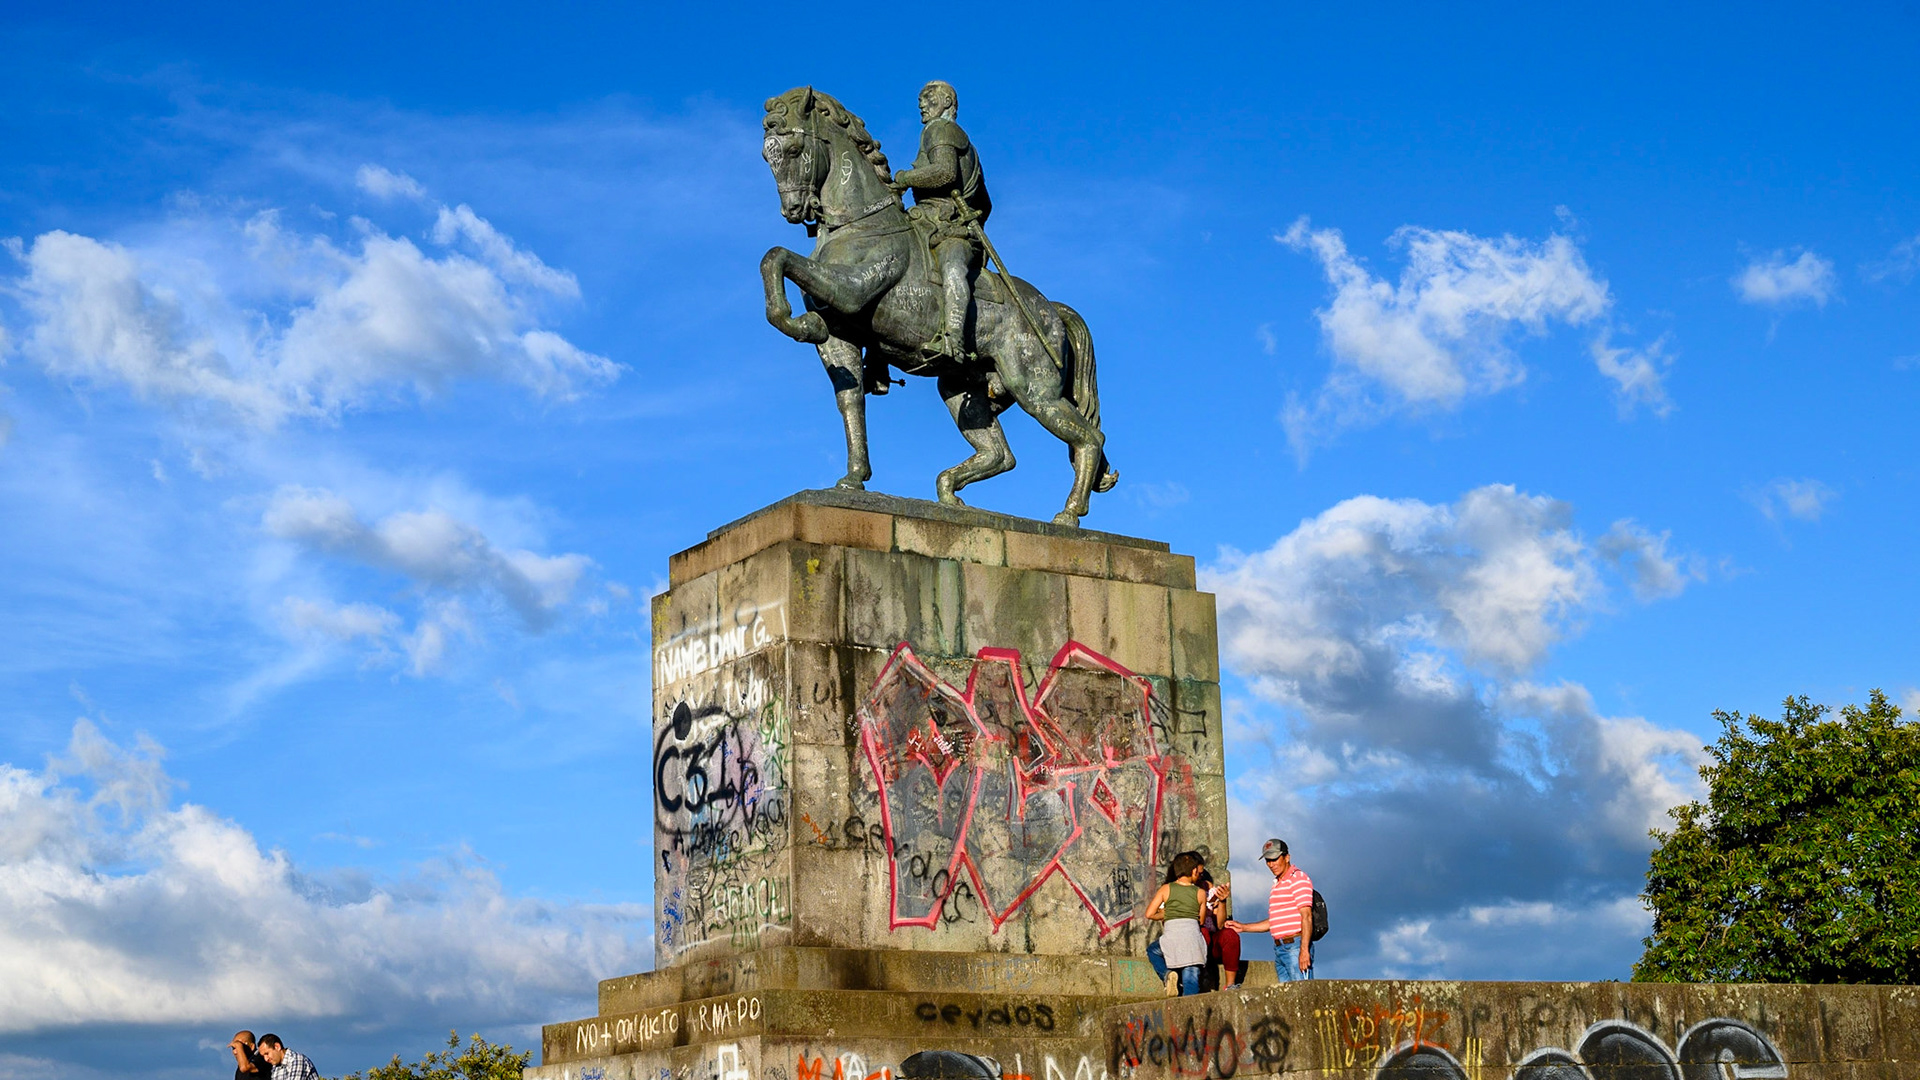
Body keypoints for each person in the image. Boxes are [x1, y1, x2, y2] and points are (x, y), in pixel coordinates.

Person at [891, 79, 993, 362]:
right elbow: (987, 204)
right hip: (928, 221)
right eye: (921, 101)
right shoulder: (957, 140)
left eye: (929, 99)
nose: (922, 106)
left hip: (949, 228)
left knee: (952, 268)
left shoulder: (941, 129)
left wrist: (906, 178)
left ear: (947, 102)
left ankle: (953, 340)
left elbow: (946, 172)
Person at [1226, 838, 1314, 980]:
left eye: (1274, 859)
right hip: (1280, 948)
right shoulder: (1277, 883)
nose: (1271, 864)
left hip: (1295, 946)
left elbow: (1307, 916)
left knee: (1301, 991)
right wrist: (1243, 927)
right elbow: (1274, 921)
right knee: (1286, 993)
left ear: (1287, 857)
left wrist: (1304, 950)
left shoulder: (1298, 878)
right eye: (1268, 860)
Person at [1144, 851, 1208, 996]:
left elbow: (1149, 914)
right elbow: (1201, 920)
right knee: (1191, 981)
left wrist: (1166, 913)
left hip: (1172, 939)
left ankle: (1167, 974)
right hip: (1192, 942)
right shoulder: (1200, 893)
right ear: (1194, 871)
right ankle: (1189, 1008)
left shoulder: (1166, 889)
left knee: (1152, 951)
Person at [1196, 867, 1243, 989]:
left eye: (1201, 874)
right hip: (1192, 940)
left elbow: (1220, 925)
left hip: (1213, 941)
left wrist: (1221, 901)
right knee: (1202, 932)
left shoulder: (1209, 890)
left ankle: (1230, 985)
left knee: (1230, 935)